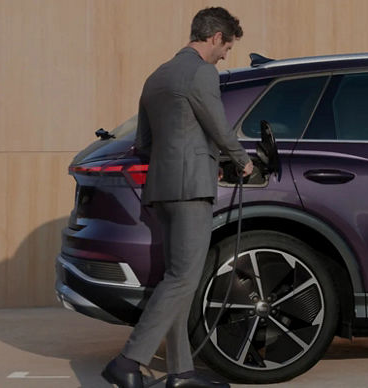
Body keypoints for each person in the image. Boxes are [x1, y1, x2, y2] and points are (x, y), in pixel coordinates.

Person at [102, 7, 253, 388]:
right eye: (227, 47)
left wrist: (195, 159)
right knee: (182, 279)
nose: (225, 55)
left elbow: (146, 143)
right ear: (216, 37)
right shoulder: (202, 72)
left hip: (163, 190)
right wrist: (241, 161)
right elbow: (217, 125)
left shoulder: (157, 76)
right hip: (190, 191)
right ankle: (128, 360)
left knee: (177, 279)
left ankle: (180, 373)